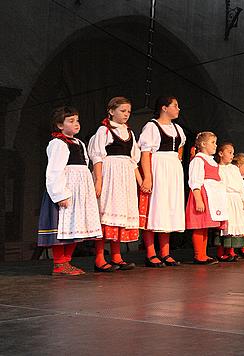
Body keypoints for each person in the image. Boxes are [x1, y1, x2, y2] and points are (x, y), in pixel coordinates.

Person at [38, 106, 102, 275]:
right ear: (60, 125)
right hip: (67, 190)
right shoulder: (57, 143)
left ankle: (67, 262)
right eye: (71, 121)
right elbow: (54, 171)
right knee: (63, 226)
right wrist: (60, 194)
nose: (76, 124)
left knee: (75, 225)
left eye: (77, 120)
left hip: (79, 192)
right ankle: (60, 263)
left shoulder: (79, 142)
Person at [88, 97, 141, 272]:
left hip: (125, 177)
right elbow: (97, 157)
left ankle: (117, 256)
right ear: (111, 111)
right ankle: (99, 258)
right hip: (110, 174)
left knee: (121, 213)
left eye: (128, 112)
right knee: (107, 213)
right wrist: (99, 180)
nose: (126, 114)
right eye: (122, 111)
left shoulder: (130, 133)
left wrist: (141, 182)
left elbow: (134, 161)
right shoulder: (104, 131)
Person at [138, 96, 186, 267]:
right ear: (164, 108)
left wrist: (175, 165)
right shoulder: (152, 126)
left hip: (173, 170)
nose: (178, 109)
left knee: (169, 209)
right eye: (175, 105)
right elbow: (145, 153)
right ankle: (151, 253)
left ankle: (165, 252)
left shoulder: (178, 128)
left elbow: (180, 150)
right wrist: (148, 177)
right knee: (155, 209)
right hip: (158, 168)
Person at [186, 132, 227, 265]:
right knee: (199, 226)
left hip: (211, 198)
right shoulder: (198, 160)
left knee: (205, 227)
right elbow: (194, 181)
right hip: (202, 196)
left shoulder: (211, 160)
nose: (215, 146)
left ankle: (203, 254)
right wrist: (198, 199)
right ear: (203, 144)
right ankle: (199, 255)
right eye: (213, 143)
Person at [216, 142, 244, 261]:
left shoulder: (234, 168)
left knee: (234, 228)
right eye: (229, 152)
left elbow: (240, 184)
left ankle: (231, 251)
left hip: (236, 199)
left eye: (233, 153)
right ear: (220, 153)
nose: (231, 155)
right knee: (225, 228)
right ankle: (220, 253)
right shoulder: (217, 168)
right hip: (225, 198)